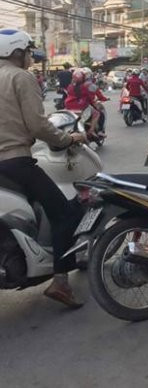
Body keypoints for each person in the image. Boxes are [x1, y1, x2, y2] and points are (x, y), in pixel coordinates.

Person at [0, 29, 87, 307]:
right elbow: (37, 125)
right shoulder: (20, 77)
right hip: (14, 160)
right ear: (16, 52)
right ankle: (61, 281)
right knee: (65, 213)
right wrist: (68, 138)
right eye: (27, 52)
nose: (29, 57)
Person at [65, 69, 104, 138]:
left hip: (68, 106)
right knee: (97, 113)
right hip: (81, 106)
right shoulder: (87, 86)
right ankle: (91, 130)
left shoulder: (69, 86)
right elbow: (92, 96)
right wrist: (98, 101)